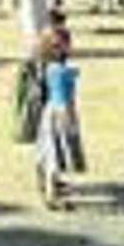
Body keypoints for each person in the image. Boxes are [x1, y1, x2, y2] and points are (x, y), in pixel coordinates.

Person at [34, 29, 86, 210]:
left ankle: (49, 184)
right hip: (58, 116)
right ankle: (52, 195)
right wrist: (70, 121)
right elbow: (62, 100)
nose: (69, 47)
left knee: (49, 153)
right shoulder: (59, 72)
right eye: (66, 44)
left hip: (50, 114)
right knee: (55, 157)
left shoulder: (49, 67)